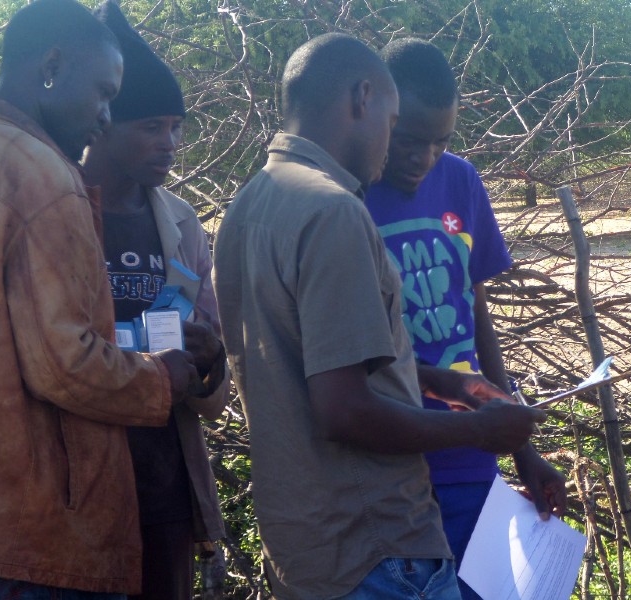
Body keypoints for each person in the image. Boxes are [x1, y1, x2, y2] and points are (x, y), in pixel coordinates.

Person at [212, 33, 547, 600]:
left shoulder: (247, 207)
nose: (403, 149)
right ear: (364, 97)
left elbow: (322, 363)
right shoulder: (335, 210)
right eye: (395, 126)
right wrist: (478, 429)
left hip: (309, 545)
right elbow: (343, 409)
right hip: (377, 543)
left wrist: (445, 382)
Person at [0, 0, 203, 598]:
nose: (105, 115)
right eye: (104, 93)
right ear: (52, 66)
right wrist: (163, 379)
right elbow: (65, 364)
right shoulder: (48, 178)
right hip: (34, 534)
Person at [365, 37, 567, 599]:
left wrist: (523, 453)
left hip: (471, 458)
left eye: (440, 142)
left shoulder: (461, 181)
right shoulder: (345, 194)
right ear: (377, 113)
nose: (422, 158)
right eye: (408, 140)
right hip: (393, 462)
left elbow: (478, 320)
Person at [83, 3, 229, 599]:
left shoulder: (180, 224)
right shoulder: (54, 207)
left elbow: (211, 364)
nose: (169, 144)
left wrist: (211, 358)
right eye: (150, 127)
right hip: (77, 487)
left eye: (176, 127)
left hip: (166, 483)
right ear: (101, 124)